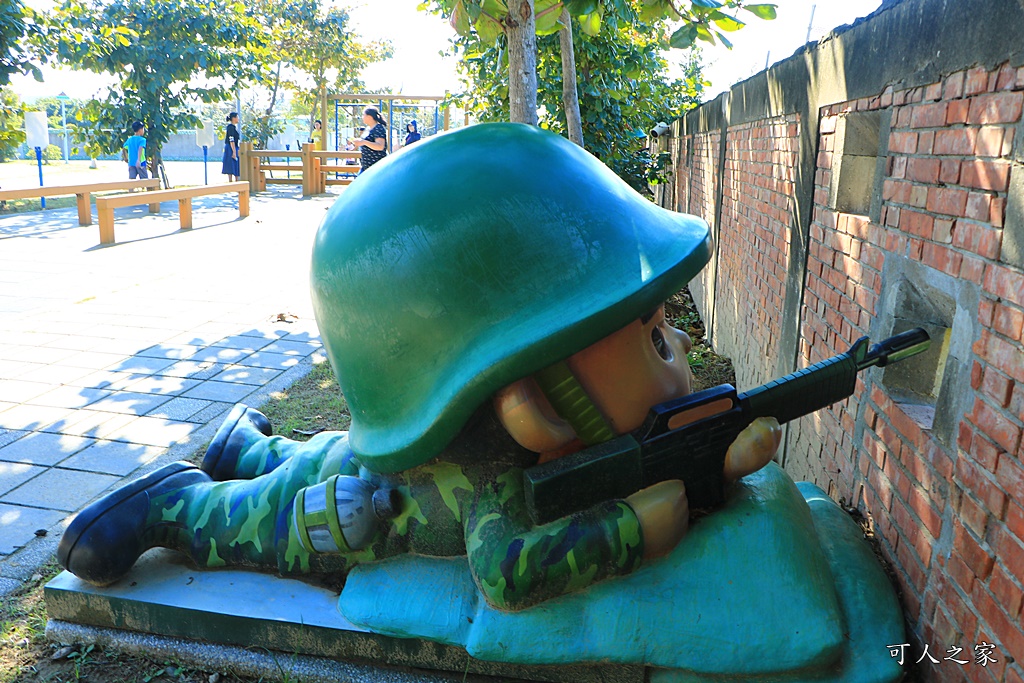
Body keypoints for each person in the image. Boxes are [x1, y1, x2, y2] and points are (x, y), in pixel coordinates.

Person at [57, 124, 779, 612]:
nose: (681, 345)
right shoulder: (493, 483)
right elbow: (502, 570)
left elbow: (634, 460)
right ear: (536, 402)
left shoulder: (556, 443)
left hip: (343, 454)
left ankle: (243, 447)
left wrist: (714, 462)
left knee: (296, 456)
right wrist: (626, 532)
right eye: (655, 341)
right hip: (341, 502)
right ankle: (172, 500)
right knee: (243, 518)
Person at [349, 107, 387, 172]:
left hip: (376, 167)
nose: (362, 117)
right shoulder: (368, 128)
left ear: (369, 117)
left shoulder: (378, 128)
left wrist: (364, 142)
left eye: (363, 115)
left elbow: (380, 146)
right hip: (366, 167)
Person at [221, 112, 240, 182]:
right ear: (233, 118)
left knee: (235, 165)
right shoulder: (230, 127)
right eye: (237, 117)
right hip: (231, 147)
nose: (238, 119)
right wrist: (234, 151)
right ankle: (231, 181)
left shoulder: (233, 127)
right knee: (231, 165)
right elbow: (231, 139)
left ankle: (236, 181)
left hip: (233, 147)